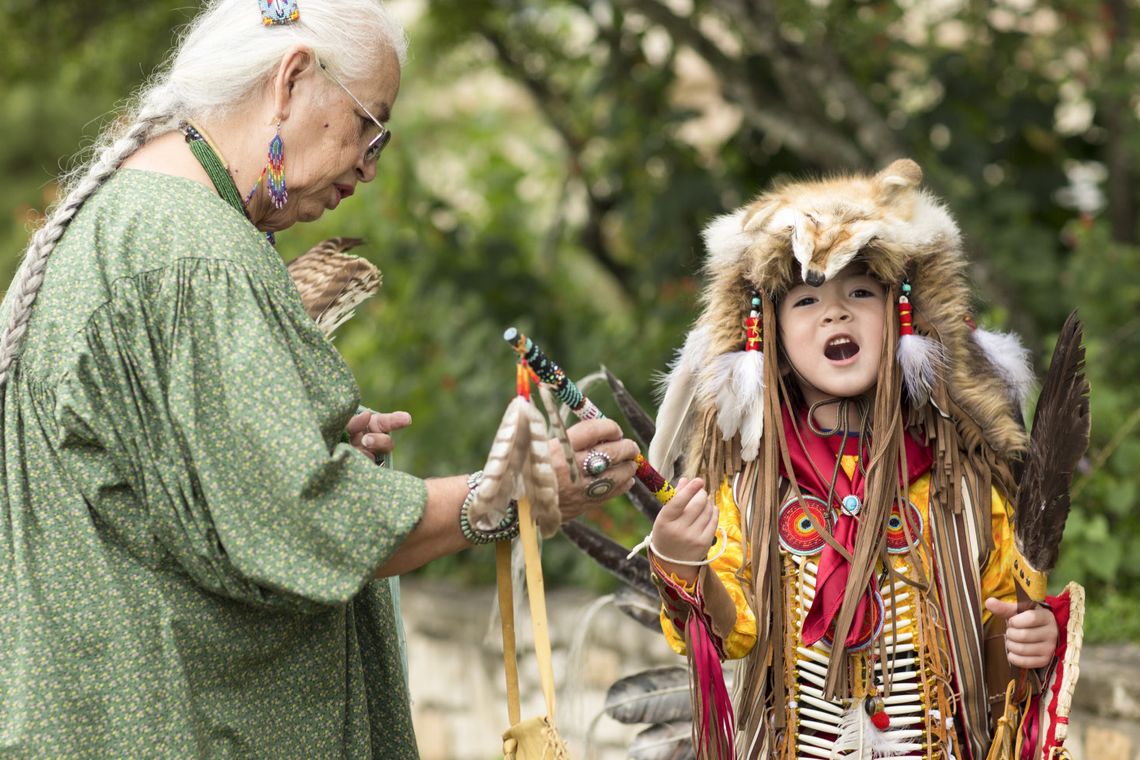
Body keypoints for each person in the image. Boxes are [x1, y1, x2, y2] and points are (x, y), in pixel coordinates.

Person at [0, 1, 639, 757]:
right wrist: (502, 497)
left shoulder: (133, 220)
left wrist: (310, 440)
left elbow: (196, 497)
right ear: (293, 80)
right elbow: (297, 519)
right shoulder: (195, 254)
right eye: (371, 127)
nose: (370, 166)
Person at [640, 160, 1075, 759]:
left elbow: (997, 646)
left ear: (905, 316)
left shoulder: (961, 485)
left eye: (861, 292)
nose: (835, 313)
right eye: (806, 299)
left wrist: (1030, 636)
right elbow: (731, 632)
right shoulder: (748, 489)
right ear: (768, 334)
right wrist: (682, 564)